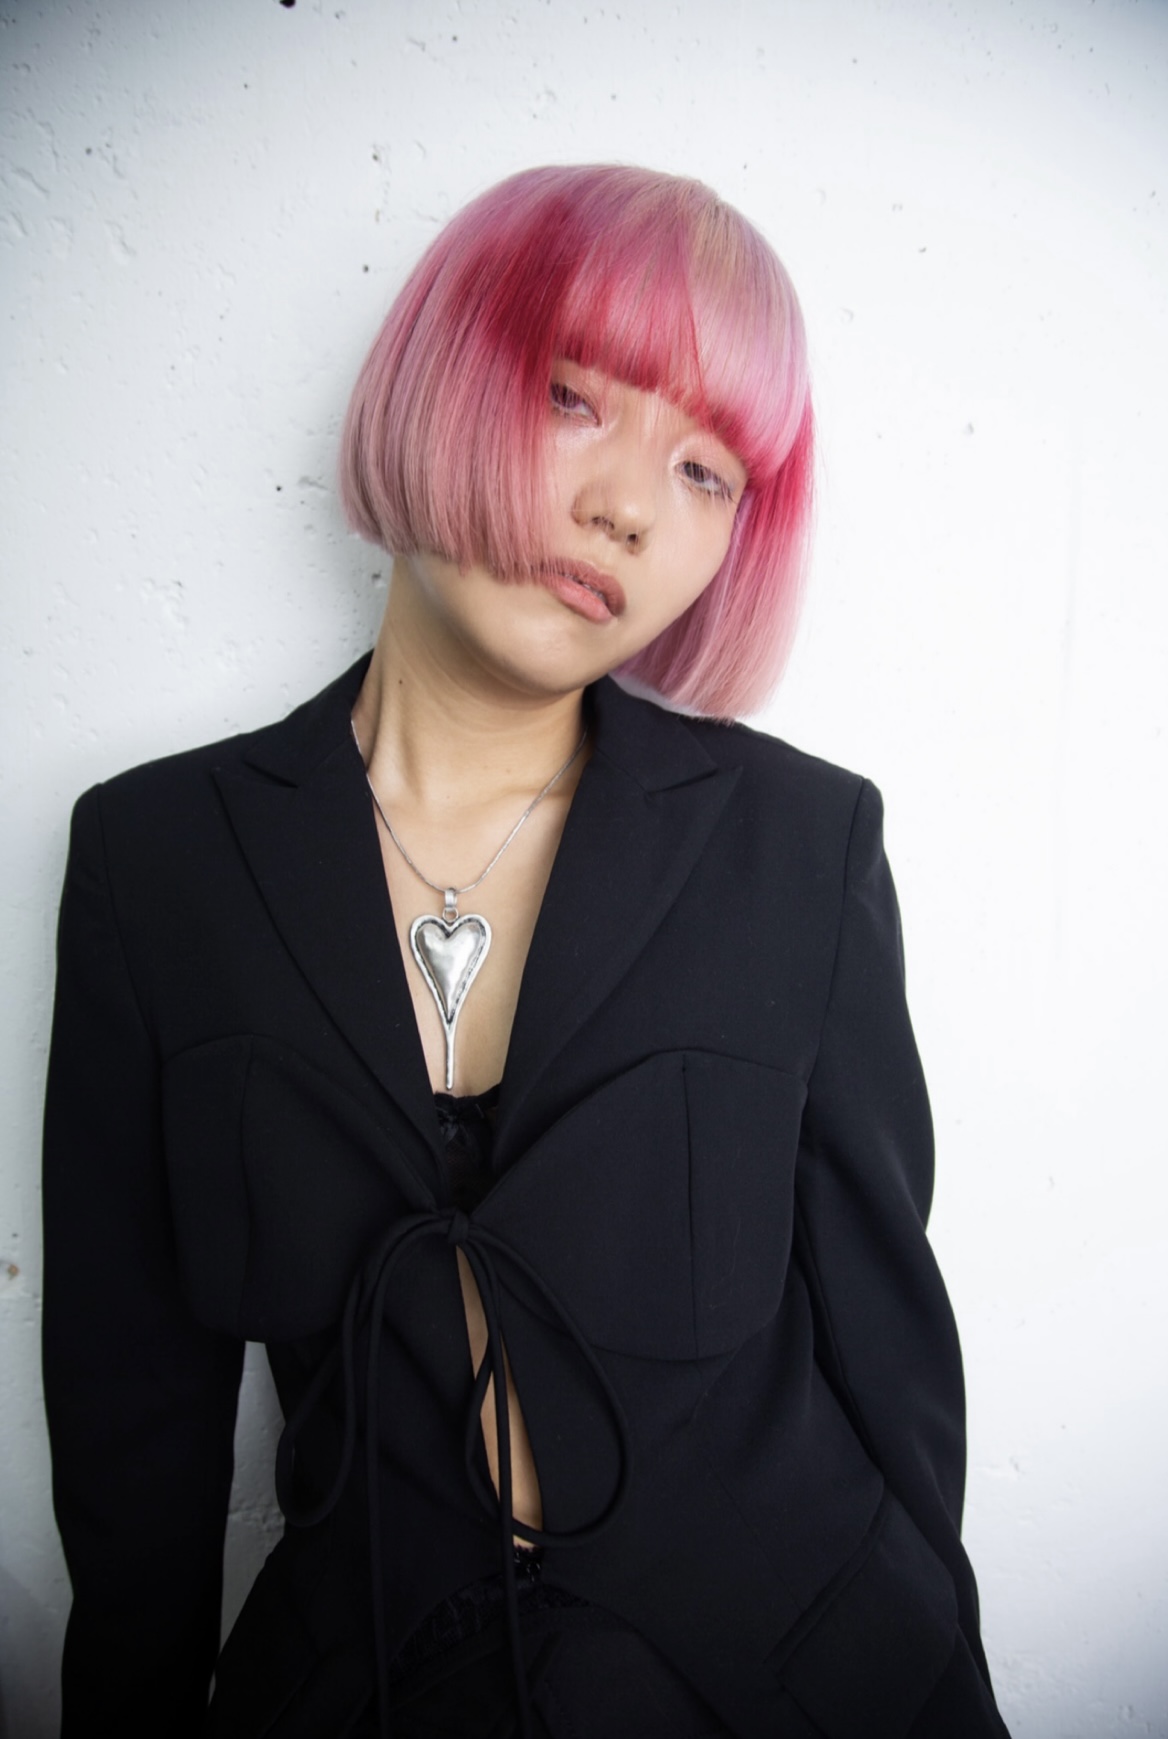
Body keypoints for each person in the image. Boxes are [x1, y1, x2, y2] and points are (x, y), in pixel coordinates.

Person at [42, 164, 1010, 1739]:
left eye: (705, 471)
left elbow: (889, 1349)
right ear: (446, 376)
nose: (631, 505)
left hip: (789, 1681)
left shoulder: (800, 846)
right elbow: (129, 1421)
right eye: (575, 397)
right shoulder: (160, 863)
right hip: (372, 1684)